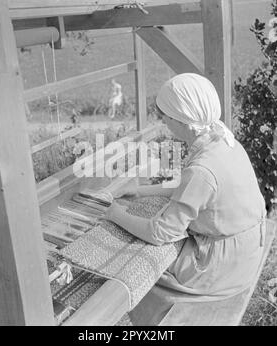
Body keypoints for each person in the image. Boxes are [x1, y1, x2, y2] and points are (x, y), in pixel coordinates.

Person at [104, 73, 267, 326]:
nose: (163, 121)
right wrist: (141, 191)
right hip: (246, 250)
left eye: (166, 116)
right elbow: (194, 191)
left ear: (185, 122)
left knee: (140, 273)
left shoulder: (203, 168)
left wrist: (114, 214)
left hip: (223, 268)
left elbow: (162, 232)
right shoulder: (224, 141)